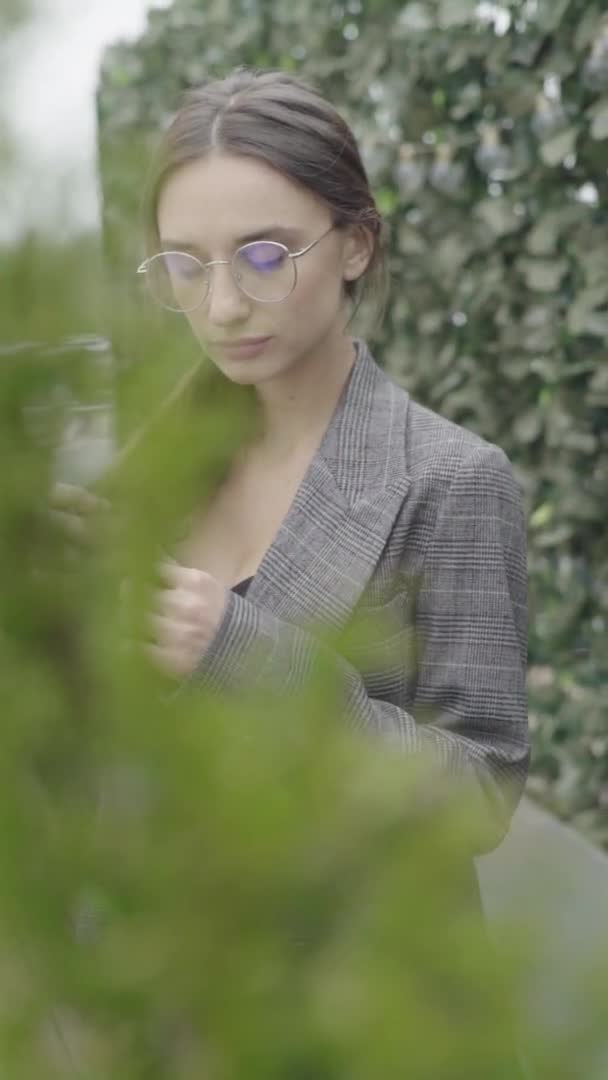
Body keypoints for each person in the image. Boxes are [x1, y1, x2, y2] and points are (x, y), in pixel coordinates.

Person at [137, 64, 528, 865]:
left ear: (354, 244)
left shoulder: (450, 479)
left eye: (266, 257)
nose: (223, 307)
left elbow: (480, 798)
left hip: (357, 973)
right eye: (186, 265)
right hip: (162, 959)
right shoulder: (151, 464)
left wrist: (244, 653)